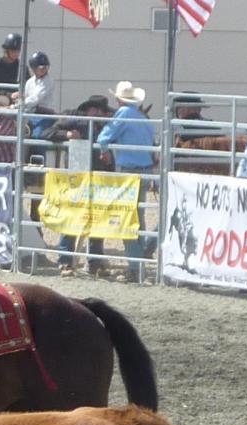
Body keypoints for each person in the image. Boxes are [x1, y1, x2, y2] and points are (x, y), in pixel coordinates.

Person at [43, 95, 113, 276]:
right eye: (94, 109)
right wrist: (67, 135)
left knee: (96, 220)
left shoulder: (109, 127)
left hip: (99, 178)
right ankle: (66, 260)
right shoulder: (77, 121)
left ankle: (94, 261)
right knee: (72, 218)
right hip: (78, 179)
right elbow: (47, 133)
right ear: (87, 110)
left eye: (100, 110)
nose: (97, 113)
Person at [96, 80, 156, 282]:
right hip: (145, 170)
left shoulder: (122, 114)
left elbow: (104, 137)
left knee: (126, 217)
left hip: (128, 171)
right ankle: (140, 262)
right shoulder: (143, 118)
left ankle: (135, 267)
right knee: (138, 217)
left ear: (118, 99)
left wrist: (105, 152)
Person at [21, 51, 58, 139]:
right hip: (30, 115)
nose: (44, 69)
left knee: (37, 135)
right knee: (22, 134)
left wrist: (19, 104)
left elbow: (35, 98)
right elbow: (26, 98)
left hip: (45, 115)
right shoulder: (29, 82)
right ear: (33, 68)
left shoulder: (49, 81)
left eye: (46, 67)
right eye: (41, 67)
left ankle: (40, 153)